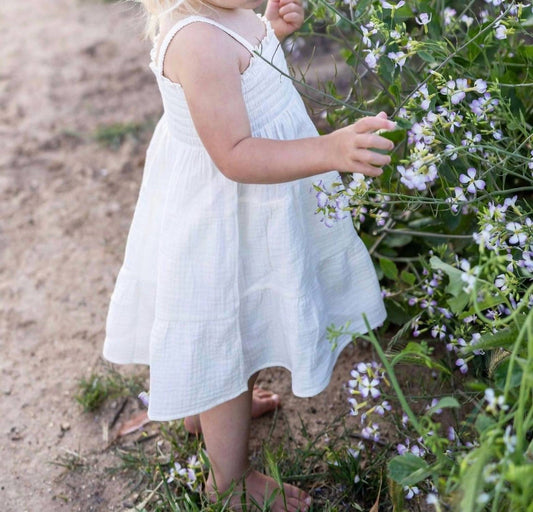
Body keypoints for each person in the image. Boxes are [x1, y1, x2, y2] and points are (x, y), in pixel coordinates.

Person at [103, 0, 395, 509]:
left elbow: (239, 75)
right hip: (226, 215)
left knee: (246, 315)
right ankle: (230, 481)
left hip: (249, 209)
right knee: (228, 334)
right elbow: (235, 153)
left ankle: (206, 407)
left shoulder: (223, 16)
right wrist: (328, 150)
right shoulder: (198, 40)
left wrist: (269, 34)